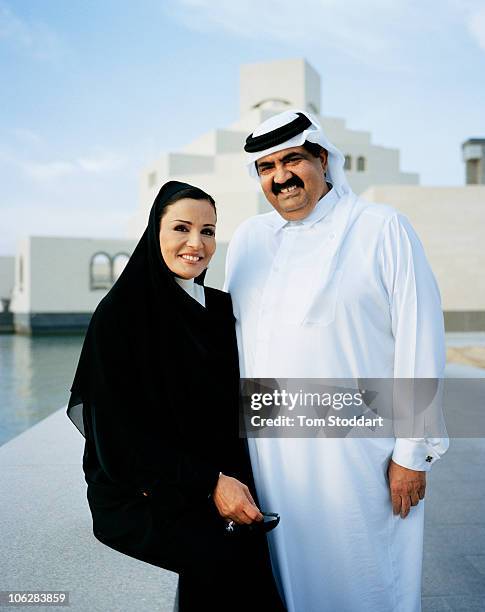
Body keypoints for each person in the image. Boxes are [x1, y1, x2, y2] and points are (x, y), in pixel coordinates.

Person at [224, 110, 449, 612]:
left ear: (322, 158)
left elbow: (420, 338)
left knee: (372, 580)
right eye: (266, 167)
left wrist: (413, 453)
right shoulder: (248, 240)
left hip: (362, 457)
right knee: (293, 584)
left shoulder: (382, 227)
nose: (280, 176)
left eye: (292, 160)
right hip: (273, 460)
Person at [67, 181, 284, 612]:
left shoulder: (220, 309)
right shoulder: (120, 315)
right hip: (142, 490)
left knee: (258, 562)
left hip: (216, 476)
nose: (195, 243)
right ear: (155, 233)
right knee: (229, 567)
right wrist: (209, 484)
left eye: (208, 231)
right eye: (181, 228)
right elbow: (116, 439)